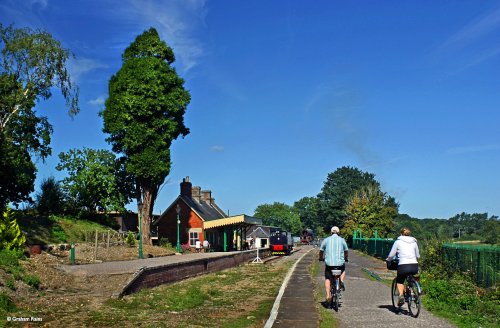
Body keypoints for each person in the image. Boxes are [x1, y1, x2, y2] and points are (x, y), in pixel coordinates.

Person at [386, 227, 420, 307]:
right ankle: (412, 291)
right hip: (414, 265)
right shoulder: (414, 242)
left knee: (400, 280)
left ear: (401, 234)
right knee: (412, 277)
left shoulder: (398, 242)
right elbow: (418, 255)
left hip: (403, 265)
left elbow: (391, 255)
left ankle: (401, 295)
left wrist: (388, 259)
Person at [319, 226, 348, 303]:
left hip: (329, 264)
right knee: (343, 270)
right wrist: (346, 258)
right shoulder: (342, 240)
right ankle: (341, 281)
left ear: (331, 232)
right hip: (339, 264)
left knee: (328, 279)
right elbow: (346, 251)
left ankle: (328, 296)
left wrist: (320, 258)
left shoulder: (326, 240)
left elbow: (321, 250)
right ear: (338, 232)